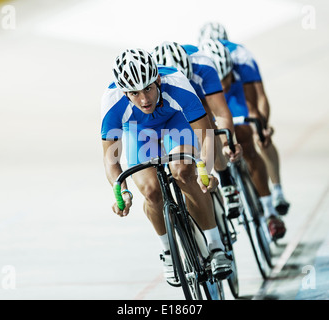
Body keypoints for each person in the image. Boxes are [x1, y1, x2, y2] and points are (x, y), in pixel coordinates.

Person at [101, 48, 232, 286]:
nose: (144, 99)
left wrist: (208, 171)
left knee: (183, 172)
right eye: (134, 93)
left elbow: (205, 136)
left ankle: (215, 246)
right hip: (139, 132)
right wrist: (122, 192)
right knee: (151, 191)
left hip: (175, 122)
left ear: (158, 79)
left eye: (149, 88)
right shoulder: (111, 102)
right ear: (123, 92)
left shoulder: (177, 84)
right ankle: (168, 253)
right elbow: (111, 159)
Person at [199, 22, 291, 215]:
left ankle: (276, 193)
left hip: (237, 93)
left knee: (256, 136)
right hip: (210, 95)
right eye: (219, 80)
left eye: (226, 77)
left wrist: (262, 126)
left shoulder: (242, 58)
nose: (223, 84)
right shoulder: (200, 67)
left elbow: (259, 99)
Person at [152, 41, 243, 218]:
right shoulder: (152, 78)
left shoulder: (203, 66)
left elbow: (221, 112)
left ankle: (226, 180)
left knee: (207, 120)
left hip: (200, 98)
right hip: (171, 107)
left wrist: (227, 142)